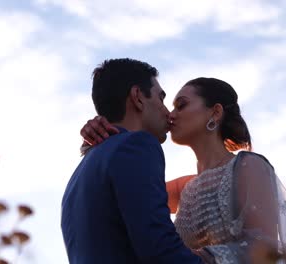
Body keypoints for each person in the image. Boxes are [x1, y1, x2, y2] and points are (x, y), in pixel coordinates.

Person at [81, 77, 286, 263]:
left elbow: (266, 248)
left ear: (215, 112)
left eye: (181, 105)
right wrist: (104, 133)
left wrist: (194, 258)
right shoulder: (185, 187)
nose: (170, 114)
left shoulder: (248, 166)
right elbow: (122, 198)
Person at [61, 58, 212, 264]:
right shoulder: (137, 145)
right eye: (161, 99)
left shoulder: (79, 174)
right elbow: (160, 249)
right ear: (138, 97)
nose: (168, 113)